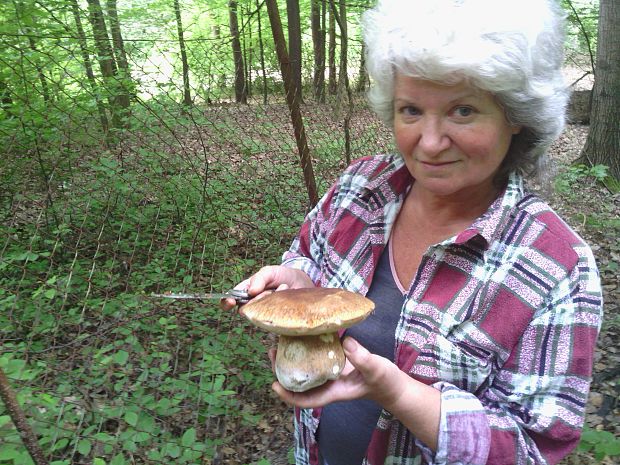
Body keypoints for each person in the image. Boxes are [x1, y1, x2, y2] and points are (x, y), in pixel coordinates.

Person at [222, 0, 603, 463]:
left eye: (463, 111)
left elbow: (533, 448)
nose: (429, 141)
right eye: (411, 110)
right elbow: (306, 255)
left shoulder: (556, 264)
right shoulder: (360, 189)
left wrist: (400, 394)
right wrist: (299, 285)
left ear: (515, 114)